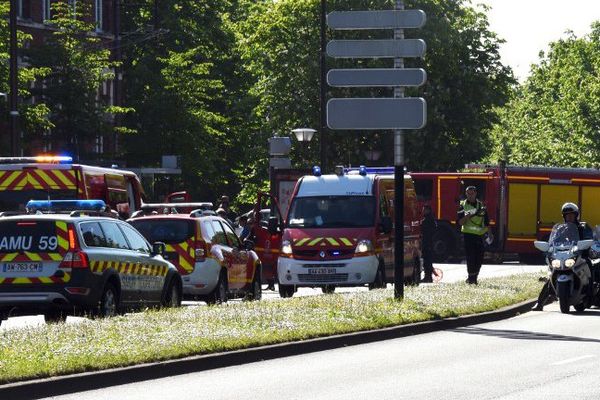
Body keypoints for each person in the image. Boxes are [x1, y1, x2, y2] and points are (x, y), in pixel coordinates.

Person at [532, 202, 593, 311]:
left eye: (571, 215)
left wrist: (584, 245)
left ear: (576, 215)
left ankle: (590, 296)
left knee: (590, 266)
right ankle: (540, 303)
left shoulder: (583, 227)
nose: (569, 217)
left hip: (581, 256)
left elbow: (589, 238)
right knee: (552, 274)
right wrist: (548, 249)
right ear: (564, 216)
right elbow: (553, 241)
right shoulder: (560, 229)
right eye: (567, 215)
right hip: (564, 255)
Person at [457, 186, 490, 284]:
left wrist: (490, 234)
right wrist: (468, 216)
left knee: (479, 258)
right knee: (471, 257)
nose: (470, 195)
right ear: (466, 194)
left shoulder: (481, 205)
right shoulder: (462, 206)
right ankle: (472, 279)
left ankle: (474, 276)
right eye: (468, 193)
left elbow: (487, 222)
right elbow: (460, 222)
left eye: (472, 193)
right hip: (468, 235)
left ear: (476, 193)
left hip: (480, 236)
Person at [421, 204, 437, 283]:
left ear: (428, 210)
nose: (423, 211)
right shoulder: (431, 219)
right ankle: (428, 276)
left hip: (427, 243)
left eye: (424, 209)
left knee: (427, 260)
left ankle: (428, 277)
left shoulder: (427, 220)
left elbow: (426, 232)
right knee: (427, 260)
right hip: (429, 242)